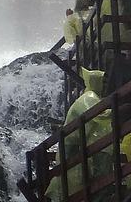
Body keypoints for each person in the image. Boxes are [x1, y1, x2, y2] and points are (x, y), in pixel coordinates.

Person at [47, 68, 112, 200]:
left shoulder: (93, 98)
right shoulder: (89, 98)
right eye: (102, 82)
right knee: (72, 179)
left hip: (77, 145)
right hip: (72, 146)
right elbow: (100, 115)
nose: (105, 86)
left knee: (76, 179)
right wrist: (118, 109)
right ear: (95, 82)